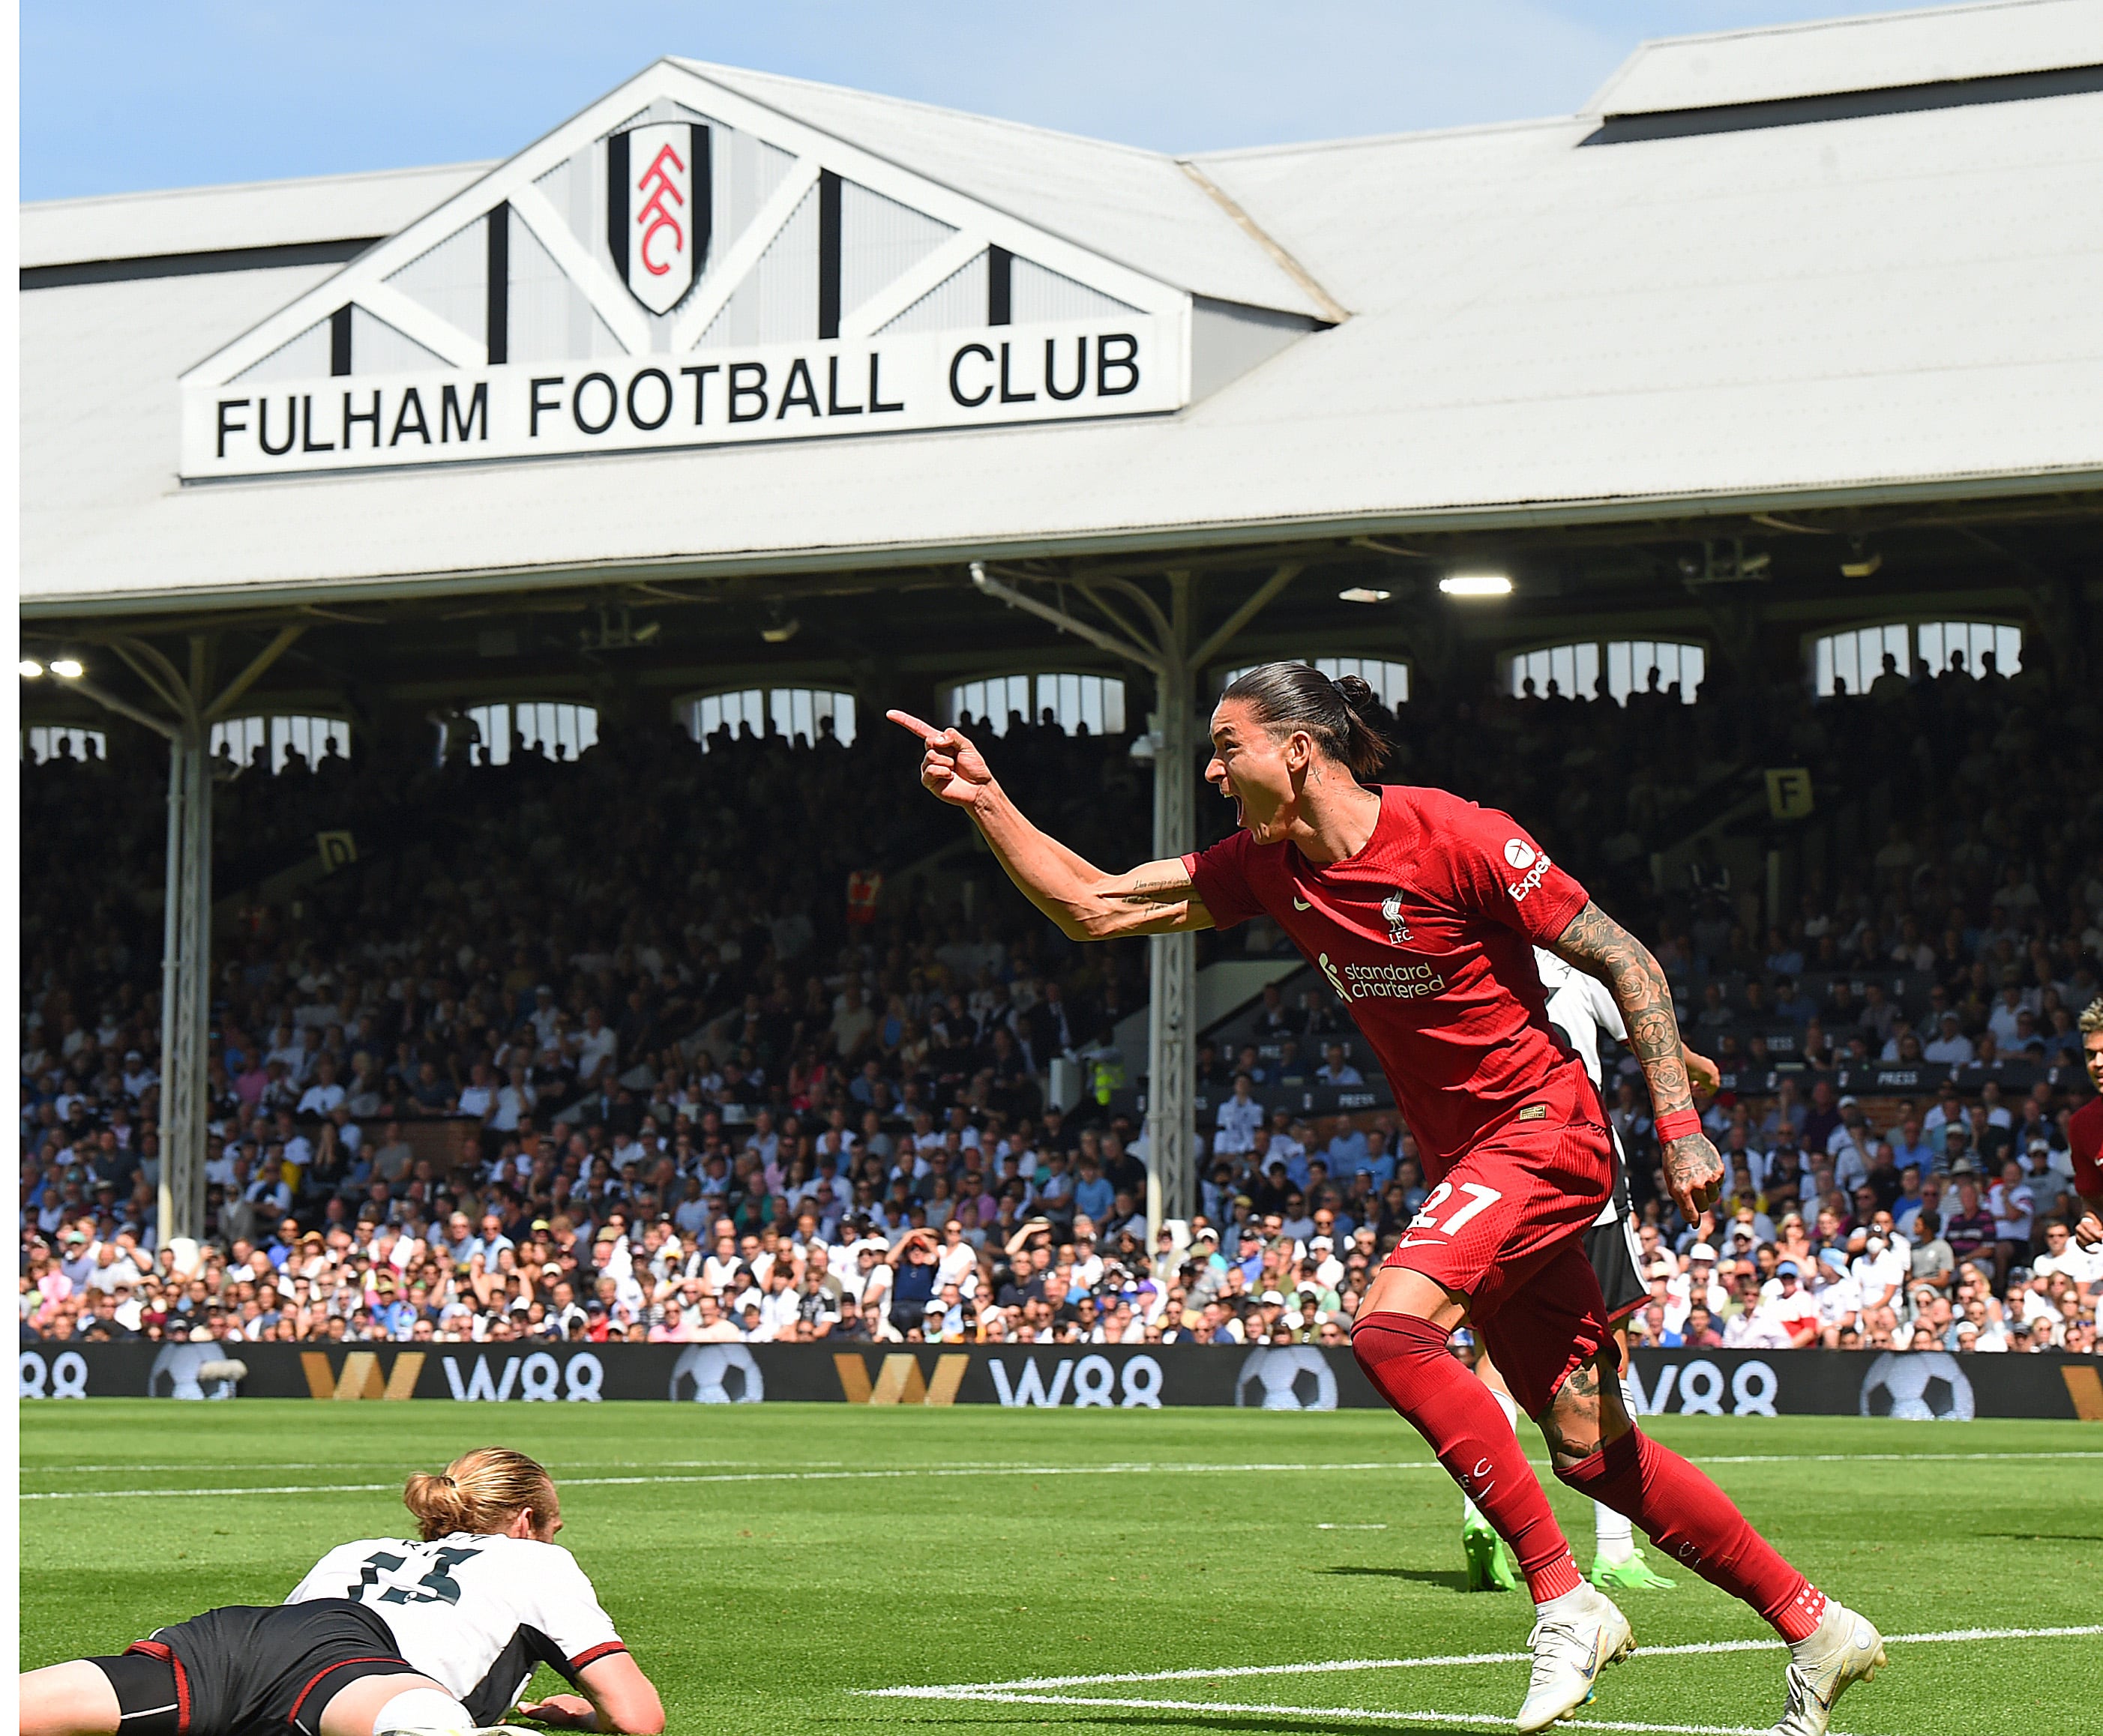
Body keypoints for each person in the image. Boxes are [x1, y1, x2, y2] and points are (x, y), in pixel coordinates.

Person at [891, 666, 1883, 1736]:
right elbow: (1092, 906)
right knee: (1593, 1445)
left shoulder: (1457, 835)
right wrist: (987, 801)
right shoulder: (1269, 866)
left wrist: (1680, 1123)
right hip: (1471, 1160)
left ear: (1299, 751)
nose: (1216, 774)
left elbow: (1623, 957)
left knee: (1390, 1328)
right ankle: (1813, 1623)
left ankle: (1564, 1600)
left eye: (1227, 748)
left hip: (1544, 1134)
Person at [19, 1447, 664, 1736]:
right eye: (551, 1527)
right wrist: (585, 1714)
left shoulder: (354, 1550)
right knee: (416, 1725)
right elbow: (638, 1718)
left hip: (228, 1643)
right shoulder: (535, 1563)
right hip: (352, 1667)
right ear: (527, 1524)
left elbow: (287, 1654)